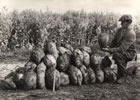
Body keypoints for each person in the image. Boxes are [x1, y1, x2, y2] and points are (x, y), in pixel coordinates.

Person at [102, 14, 137, 84]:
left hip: (129, 53)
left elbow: (122, 49)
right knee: (115, 55)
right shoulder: (120, 30)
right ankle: (121, 73)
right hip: (121, 51)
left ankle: (123, 76)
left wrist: (110, 50)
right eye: (121, 22)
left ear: (128, 22)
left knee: (117, 55)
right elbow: (114, 41)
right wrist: (109, 47)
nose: (121, 23)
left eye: (122, 22)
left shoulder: (131, 34)